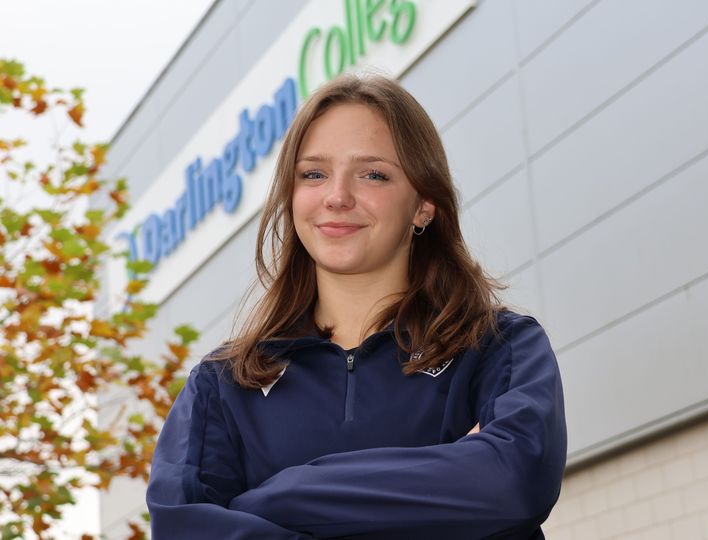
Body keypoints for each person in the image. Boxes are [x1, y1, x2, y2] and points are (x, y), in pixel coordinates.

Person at [145, 72, 567, 540]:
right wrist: (447, 479)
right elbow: (183, 527)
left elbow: (512, 482)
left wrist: (277, 498)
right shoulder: (224, 384)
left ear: (424, 205)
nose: (337, 197)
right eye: (314, 174)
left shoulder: (498, 347)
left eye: (373, 174)